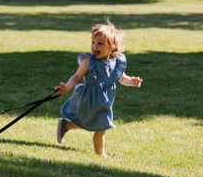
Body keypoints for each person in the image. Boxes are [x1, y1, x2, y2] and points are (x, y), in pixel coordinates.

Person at [54, 19, 143, 156]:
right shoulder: (88, 62)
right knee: (91, 123)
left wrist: (132, 81)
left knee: (101, 127)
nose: (95, 46)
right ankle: (99, 154)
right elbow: (77, 77)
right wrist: (66, 87)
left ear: (112, 46)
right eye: (93, 43)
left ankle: (67, 127)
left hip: (105, 101)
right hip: (88, 99)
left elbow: (122, 78)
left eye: (100, 43)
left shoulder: (117, 62)